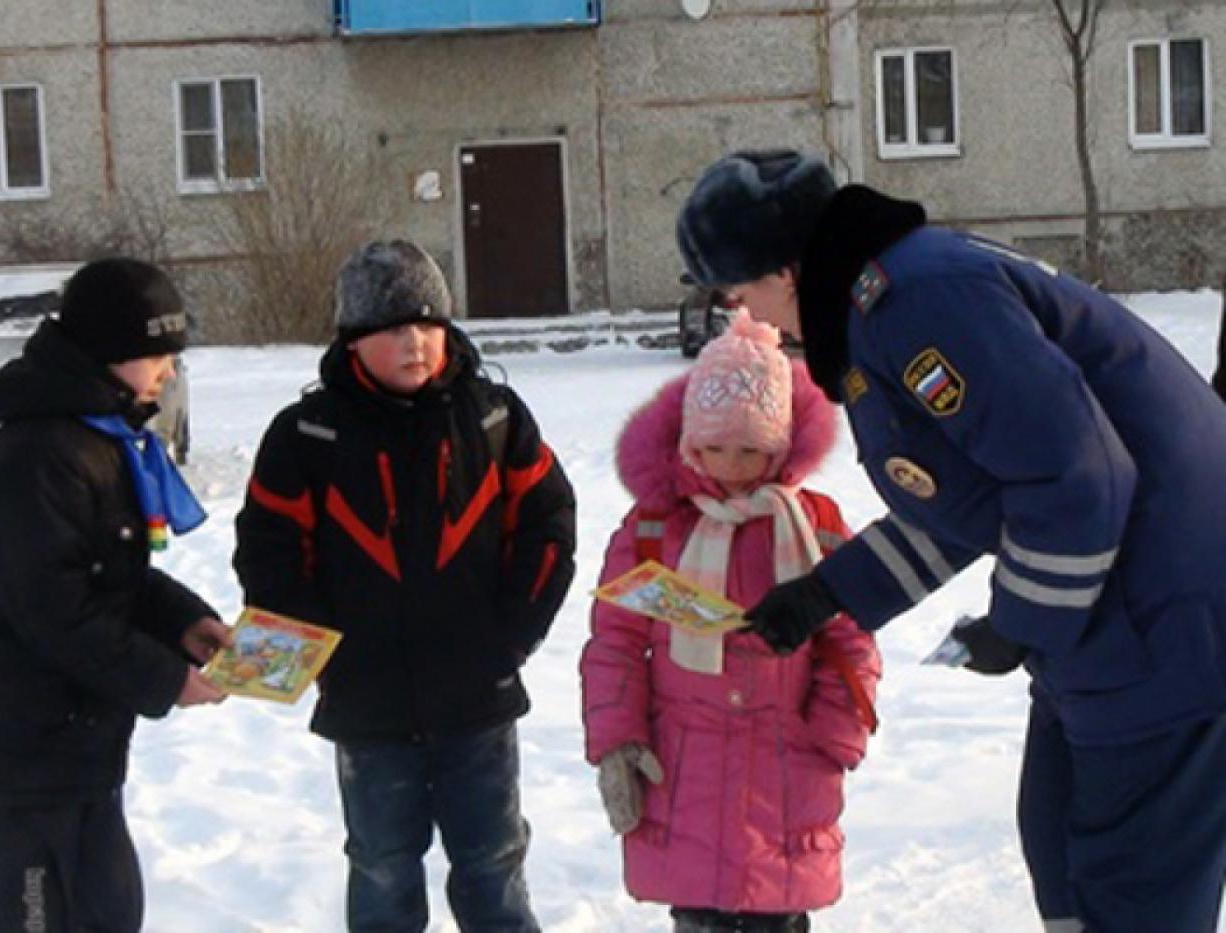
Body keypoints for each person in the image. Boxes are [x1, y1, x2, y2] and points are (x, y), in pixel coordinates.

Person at [676, 149, 1226, 933]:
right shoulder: (884, 310)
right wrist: (827, 593)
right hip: (1114, 601)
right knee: (1059, 837)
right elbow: (974, 494)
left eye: (745, 289)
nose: (751, 316)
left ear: (789, 268)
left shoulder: (921, 301)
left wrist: (1019, 622)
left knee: (1131, 881)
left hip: (1168, 611)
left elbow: (1077, 476)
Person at [233, 239, 577, 933]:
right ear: (353, 341)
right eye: (393, 328)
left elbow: (548, 527)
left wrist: (509, 637)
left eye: (428, 324)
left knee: (493, 863)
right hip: (368, 707)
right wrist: (325, 656)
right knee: (383, 866)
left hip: (477, 698)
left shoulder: (494, 417)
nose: (415, 342)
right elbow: (269, 556)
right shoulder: (307, 434)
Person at [0, 257, 232, 932]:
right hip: (24, 758)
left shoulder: (95, 437)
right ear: (108, 352)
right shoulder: (39, 455)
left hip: (78, 747)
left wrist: (186, 622)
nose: (167, 369)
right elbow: (55, 613)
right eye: (156, 352)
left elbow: (108, 572)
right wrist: (167, 678)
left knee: (107, 910)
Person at [580, 309, 881, 933]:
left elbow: (850, 640)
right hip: (682, 764)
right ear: (689, 441)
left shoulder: (813, 524)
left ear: (781, 445)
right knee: (699, 915)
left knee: (777, 913)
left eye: (751, 449)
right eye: (714, 447)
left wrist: (832, 734)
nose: (732, 464)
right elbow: (614, 641)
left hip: (788, 761)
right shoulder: (656, 529)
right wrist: (618, 739)